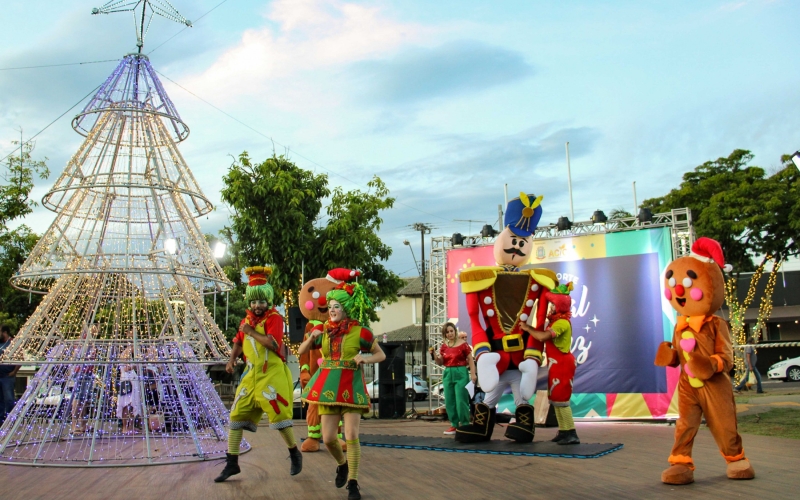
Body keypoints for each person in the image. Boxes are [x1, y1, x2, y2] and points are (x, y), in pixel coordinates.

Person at [455, 192, 555, 444]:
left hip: (520, 358)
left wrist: (533, 356)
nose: (516, 246)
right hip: (497, 358)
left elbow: (539, 321)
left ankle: (523, 427)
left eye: (523, 243)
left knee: (522, 395)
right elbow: (474, 317)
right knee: (490, 395)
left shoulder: (537, 280)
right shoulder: (484, 278)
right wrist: (483, 352)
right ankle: (482, 427)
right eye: (513, 240)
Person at [299, 271, 386, 500]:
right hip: (328, 388)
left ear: (346, 308)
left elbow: (381, 355)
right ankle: (342, 464)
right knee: (328, 439)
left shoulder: (361, 332)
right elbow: (300, 351)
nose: (332, 310)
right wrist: (310, 337)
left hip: (351, 386)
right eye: (330, 306)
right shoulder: (324, 331)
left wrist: (365, 359)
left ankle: (354, 483)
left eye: (336, 306)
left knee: (351, 435)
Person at [215, 266, 302, 483]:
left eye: (261, 302)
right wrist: (232, 359)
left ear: (268, 301)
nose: (257, 306)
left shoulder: (275, 318)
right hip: (251, 375)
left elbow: (273, 344)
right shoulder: (247, 320)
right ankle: (232, 463)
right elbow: (238, 340)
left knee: (280, 417)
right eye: (254, 302)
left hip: (271, 374)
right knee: (235, 416)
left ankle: (294, 452)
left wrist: (251, 332)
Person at [431, 322, 476, 435]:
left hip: (460, 371)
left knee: (461, 400)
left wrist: (473, 374)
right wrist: (434, 356)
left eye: (451, 331)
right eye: (447, 332)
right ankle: (454, 424)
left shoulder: (463, 344)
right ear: (445, 334)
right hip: (448, 372)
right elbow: (440, 362)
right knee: (450, 400)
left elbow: (470, 359)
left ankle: (465, 424)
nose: (450, 334)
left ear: (455, 331)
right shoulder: (444, 346)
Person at [0, 325, 20, 423]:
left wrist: (14, 372)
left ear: (4, 332)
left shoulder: (12, 343)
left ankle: (9, 420)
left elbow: (20, 358)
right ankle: (1, 421)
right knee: (0, 400)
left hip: (8, 376)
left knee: (9, 399)